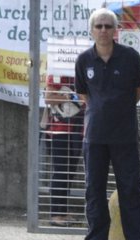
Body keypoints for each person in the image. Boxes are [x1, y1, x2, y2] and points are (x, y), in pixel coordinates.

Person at [75, 8, 140, 240]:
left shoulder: (130, 57)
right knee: (94, 189)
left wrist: (118, 109)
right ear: (91, 30)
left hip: (125, 135)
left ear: (116, 30)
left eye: (108, 26)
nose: (104, 31)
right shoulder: (84, 60)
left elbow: (139, 90)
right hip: (95, 136)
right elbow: (83, 94)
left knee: (130, 189)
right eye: (99, 26)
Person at [41, 74, 83, 227]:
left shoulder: (81, 71)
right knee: (60, 171)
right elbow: (48, 98)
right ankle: (56, 214)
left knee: (69, 172)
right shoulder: (56, 73)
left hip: (77, 129)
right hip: (58, 130)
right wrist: (69, 97)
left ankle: (63, 212)